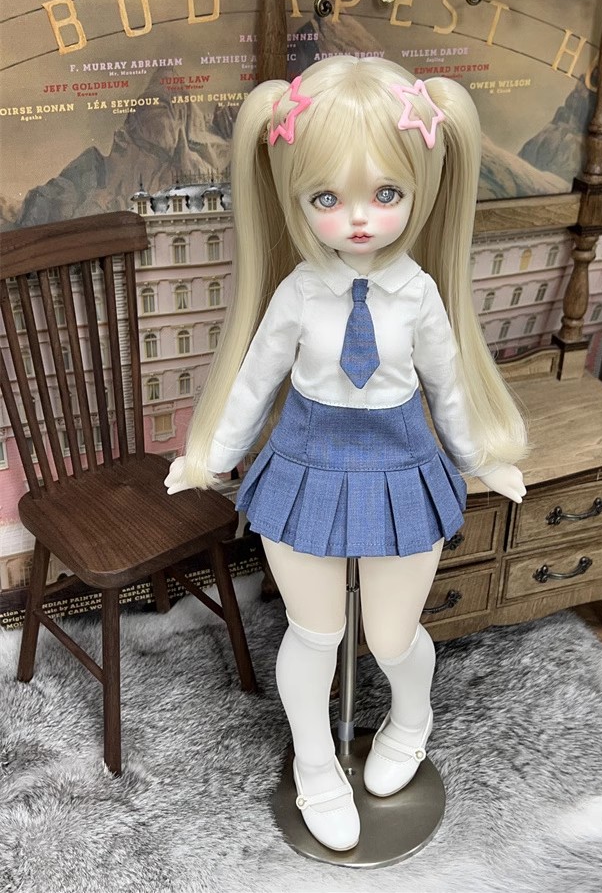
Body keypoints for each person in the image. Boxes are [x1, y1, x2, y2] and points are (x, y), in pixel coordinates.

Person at [165, 56, 528, 853]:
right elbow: (254, 379)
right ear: (294, 198)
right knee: (312, 633)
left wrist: (481, 456)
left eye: (386, 194)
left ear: (421, 189)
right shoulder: (298, 293)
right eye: (326, 199)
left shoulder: (419, 295)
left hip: (402, 470)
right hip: (304, 471)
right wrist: (210, 454)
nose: (359, 219)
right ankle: (315, 762)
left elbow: (450, 385)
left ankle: (411, 719)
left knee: (392, 637)